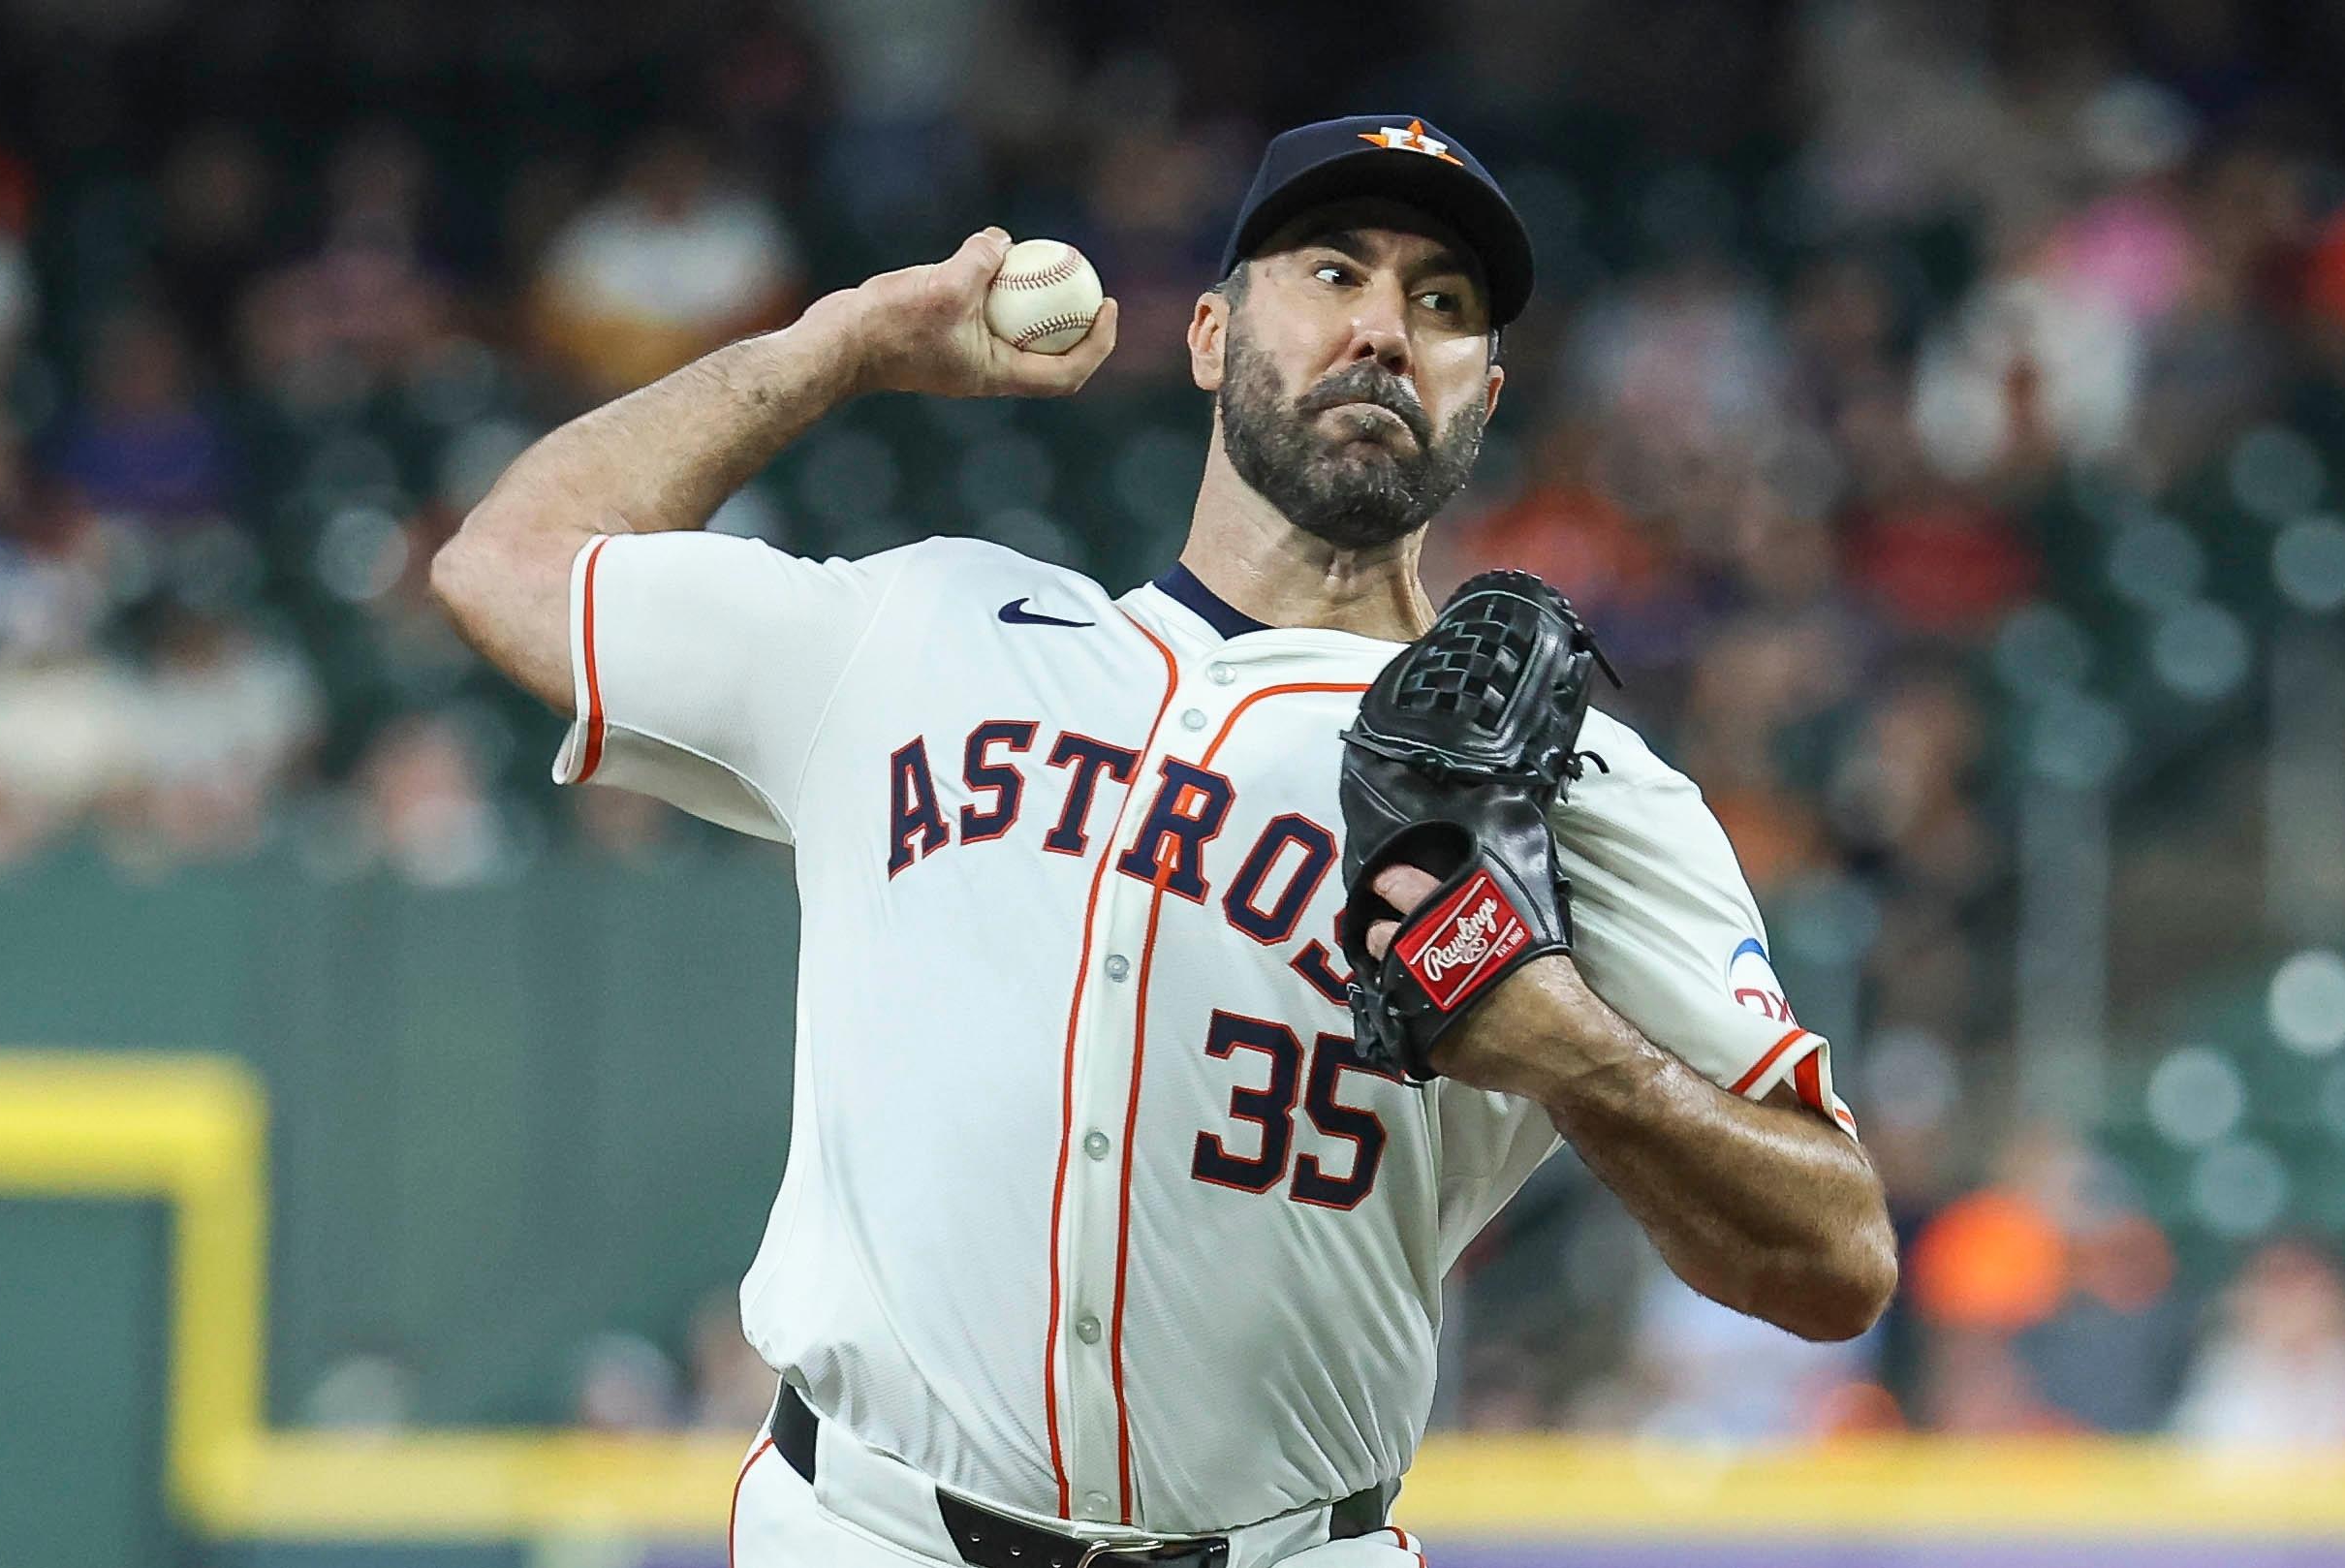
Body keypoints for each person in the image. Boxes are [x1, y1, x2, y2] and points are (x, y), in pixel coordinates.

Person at [433, 114, 1895, 1568]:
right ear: (1207, 334)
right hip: (864, 1531)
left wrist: (1576, 1051)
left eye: (1442, 303)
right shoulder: (924, 627)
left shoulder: (1571, 783)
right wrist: (842, 345)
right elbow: (503, 564)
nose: (1386, 329)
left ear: (1486, 393)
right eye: (1333, 270)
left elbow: (1835, 1258)